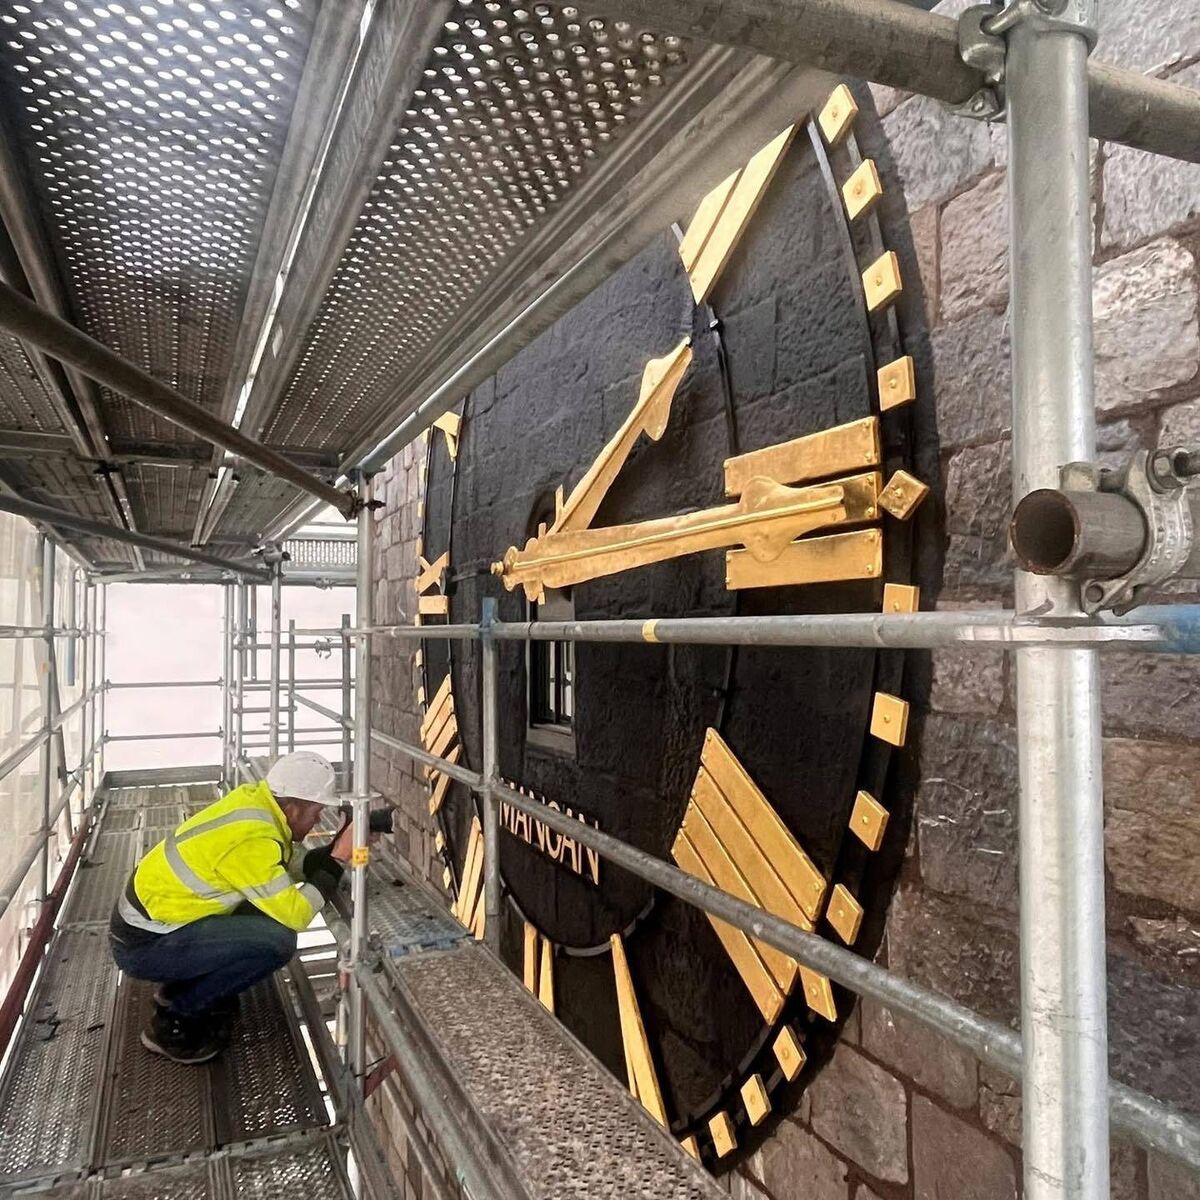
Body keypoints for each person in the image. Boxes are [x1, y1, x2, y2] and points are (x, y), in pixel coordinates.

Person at [109, 751, 352, 1065]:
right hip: (144, 945)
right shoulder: (253, 840)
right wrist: (338, 859)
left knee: (265, 914)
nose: (319, 819)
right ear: (292, 809)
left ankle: (182, 987)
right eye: (316, 812)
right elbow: (296, 914)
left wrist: (334, 849)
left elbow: (289, 867)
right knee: (277, 943)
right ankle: (174, 1020)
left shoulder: (257, 807)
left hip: (151, 926)